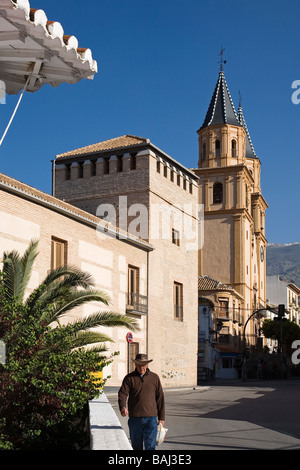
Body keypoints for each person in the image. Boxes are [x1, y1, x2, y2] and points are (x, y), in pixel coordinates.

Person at [118, 353, 165, 450]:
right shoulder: (129, 378)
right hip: (135, 419)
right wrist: (123, 406)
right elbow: (122, 393)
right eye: (139, 365)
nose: (141, 367)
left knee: (150, 447)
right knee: (136, 447)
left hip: (151, 419)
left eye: (143, 365)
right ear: (135, 365)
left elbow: (160, 397)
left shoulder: (154, 377)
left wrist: (161, 417)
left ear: (147, 365)